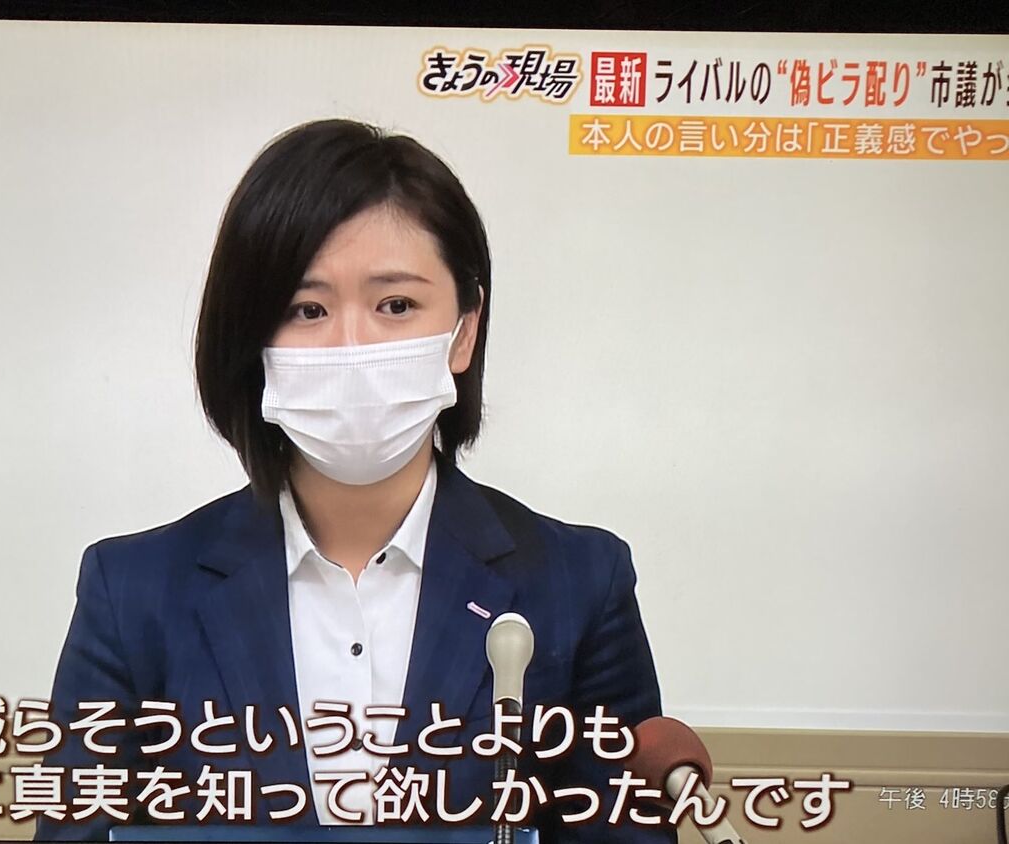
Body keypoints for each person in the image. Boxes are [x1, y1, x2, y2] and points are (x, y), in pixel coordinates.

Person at [36, 118, 671, 843]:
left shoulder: (578, 585)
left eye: (396, 306)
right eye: (306, 310)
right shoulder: (133, 593)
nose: (351, 347)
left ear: (464, 330)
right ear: (253, 341)